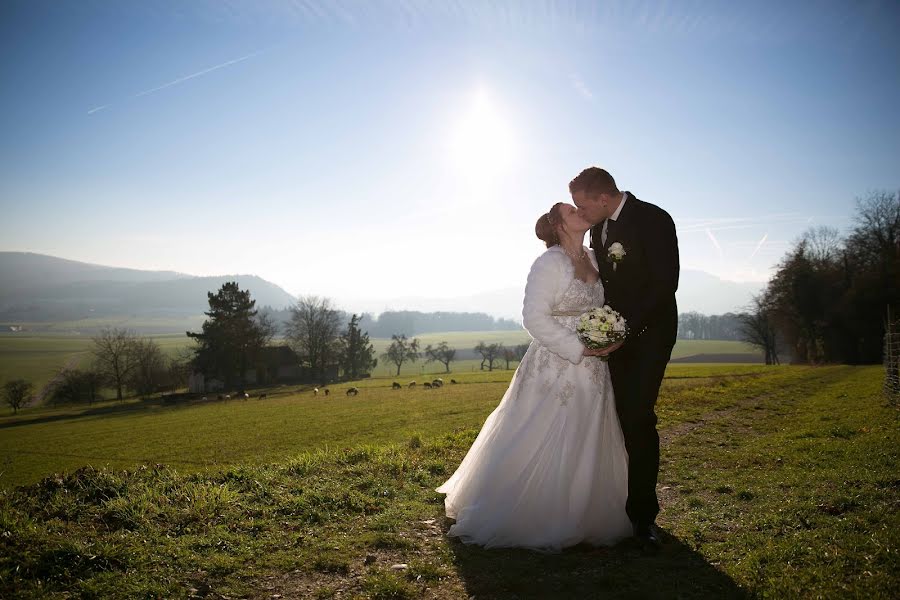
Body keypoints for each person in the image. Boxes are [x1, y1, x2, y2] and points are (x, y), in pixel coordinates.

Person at [436, 202, 632, 552]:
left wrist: (609, 335)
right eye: (571, 212)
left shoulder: (594, 257)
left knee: (588, 428)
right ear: (558, 225)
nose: (580, 212)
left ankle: (585, 513)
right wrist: (576, 347)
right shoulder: (549, 262)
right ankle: (536, 512)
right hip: (556, 362)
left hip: (595, 364)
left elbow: (603, 306)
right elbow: (533, 317)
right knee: (544, 427)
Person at [570, 166, 680, 551]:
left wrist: (623, 332)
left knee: (638, 415)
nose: (579, 212)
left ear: (603, 198)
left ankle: (643, 517)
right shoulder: (599, 230)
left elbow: (665, 285)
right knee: (616, 419)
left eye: (582, 204)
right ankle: (617, 505)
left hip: (650, 335)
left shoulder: (653, 218)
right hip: (614, 338)